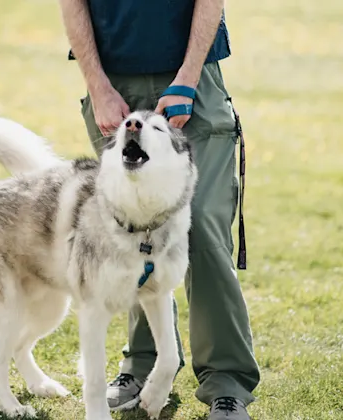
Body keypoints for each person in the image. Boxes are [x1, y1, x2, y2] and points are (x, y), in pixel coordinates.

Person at [59, 0, 260, 418]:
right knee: (130, 231)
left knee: (202, 226)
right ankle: (143, 365)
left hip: (192, 77)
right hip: (114, 85)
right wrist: (97, 85)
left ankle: (226, 379)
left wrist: (187, 79)